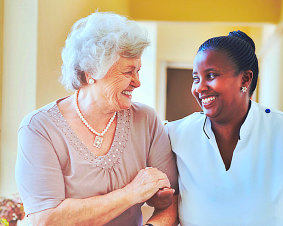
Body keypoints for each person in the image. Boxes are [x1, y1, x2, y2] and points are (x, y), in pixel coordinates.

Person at [15, 12, 178, 226]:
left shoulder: (146, 119)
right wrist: (132, 193)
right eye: (128, 72)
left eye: (138, 70)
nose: (137, 82)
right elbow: (46, 219)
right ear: (91, 71)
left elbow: (173, 199)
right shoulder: (39, 128)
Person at [166, 31, 283, 226]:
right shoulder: (176, 135)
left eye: (210, 76)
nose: (199, 88)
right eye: (196, 78)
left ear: (245, 79)